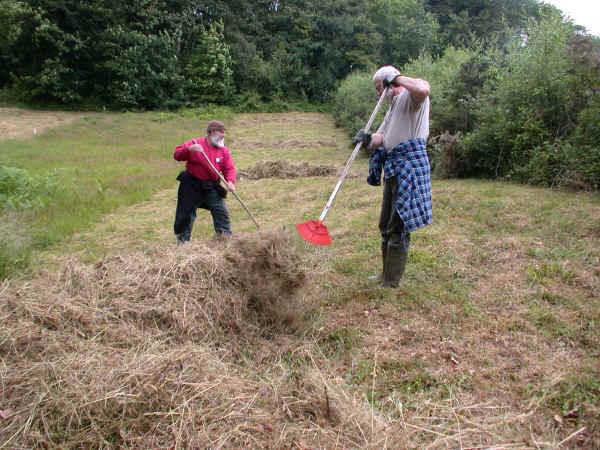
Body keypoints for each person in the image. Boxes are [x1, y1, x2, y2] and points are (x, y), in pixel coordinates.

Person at [353, 66, 432, 287]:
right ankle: (385, 275)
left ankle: (391, 281)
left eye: (380, 89)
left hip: (409, 167)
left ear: (390, 84)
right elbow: (383, 137)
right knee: (385, 224)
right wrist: (367, 139)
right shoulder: (392, 107)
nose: (379, 94)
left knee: (398, 226)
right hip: (394, 167)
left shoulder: (411, 97)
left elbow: (423, 90)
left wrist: (396, 78)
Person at [173, 120, 236, 243]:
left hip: (211, 187)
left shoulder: (223, 150)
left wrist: (230, 181)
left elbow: (229, 168)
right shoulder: (195, 144)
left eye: (224, 133)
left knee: (221, 212)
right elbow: (177, 155)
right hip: (191, 187)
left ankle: (225, 241)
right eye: (221, 133)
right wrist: (189, 149)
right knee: (186, 216)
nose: (223, 136)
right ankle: (183, 244)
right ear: (211, 132)